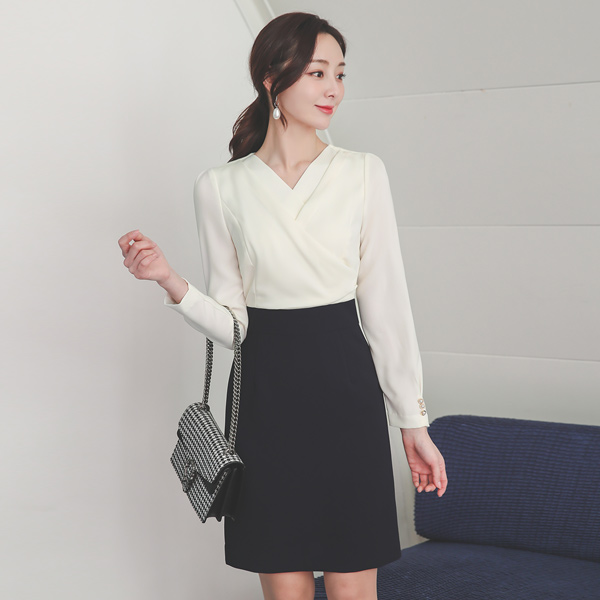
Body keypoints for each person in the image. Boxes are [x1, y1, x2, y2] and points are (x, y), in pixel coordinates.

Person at [118, 11, 447, 600]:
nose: (333, 88)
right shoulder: (220, 186)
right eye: (317, 72)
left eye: (340, 74)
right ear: (272, 79)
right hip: (264, 402)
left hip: (347, 395)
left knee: (353, 586)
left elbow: (387, 309)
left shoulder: (362, 173)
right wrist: (169, 280)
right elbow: (234, 327)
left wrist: (412, 421)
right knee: (285, 587)